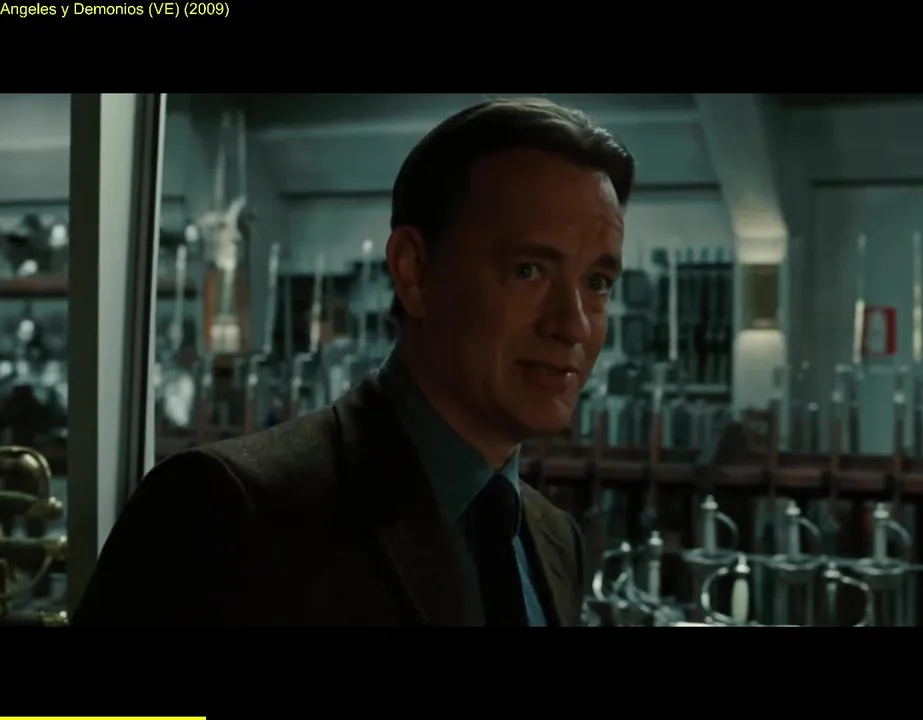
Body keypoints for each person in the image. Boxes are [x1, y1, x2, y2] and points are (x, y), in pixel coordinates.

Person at [73, 98, 633, 625]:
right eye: (528, 271)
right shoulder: (229, 511)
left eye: (597, 283)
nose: (574, 324)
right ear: (415, 272)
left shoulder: (554, 539)